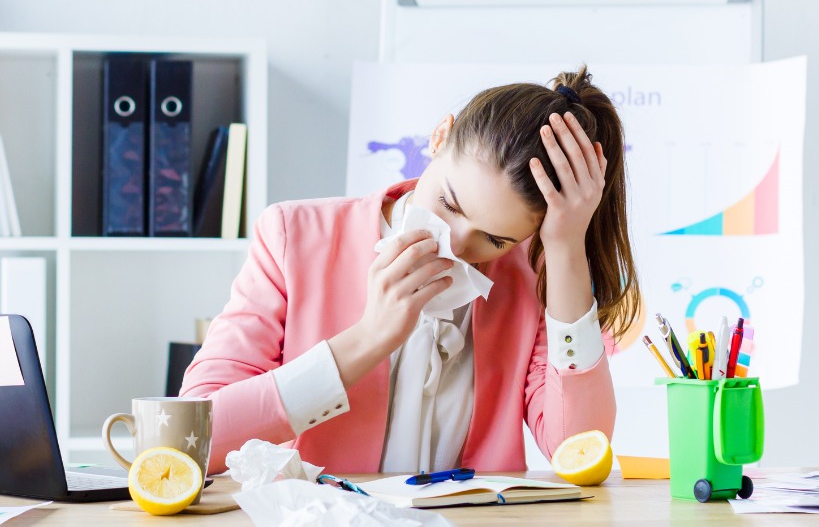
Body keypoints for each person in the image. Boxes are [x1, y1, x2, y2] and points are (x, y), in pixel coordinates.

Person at [182, 66, 640, 474]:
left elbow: (580, 449)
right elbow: (193, 439)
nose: (457, 246)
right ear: (440, 137)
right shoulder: (293, 236)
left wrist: (564, 252)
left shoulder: (535, 279)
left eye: (495, 240)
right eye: (450, 204)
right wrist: (369, 339)